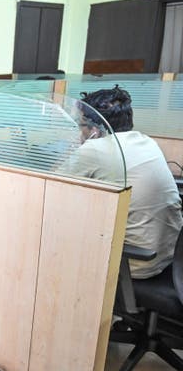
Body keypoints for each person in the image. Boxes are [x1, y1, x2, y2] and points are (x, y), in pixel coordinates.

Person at [60, 85, 183, 278]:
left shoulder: (94, 149)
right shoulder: (147, 141)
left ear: (95, 128)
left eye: (80, 125)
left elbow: (51, 188)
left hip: (134, 264)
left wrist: (77, 149)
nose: (79, 131)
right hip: (172, 257)